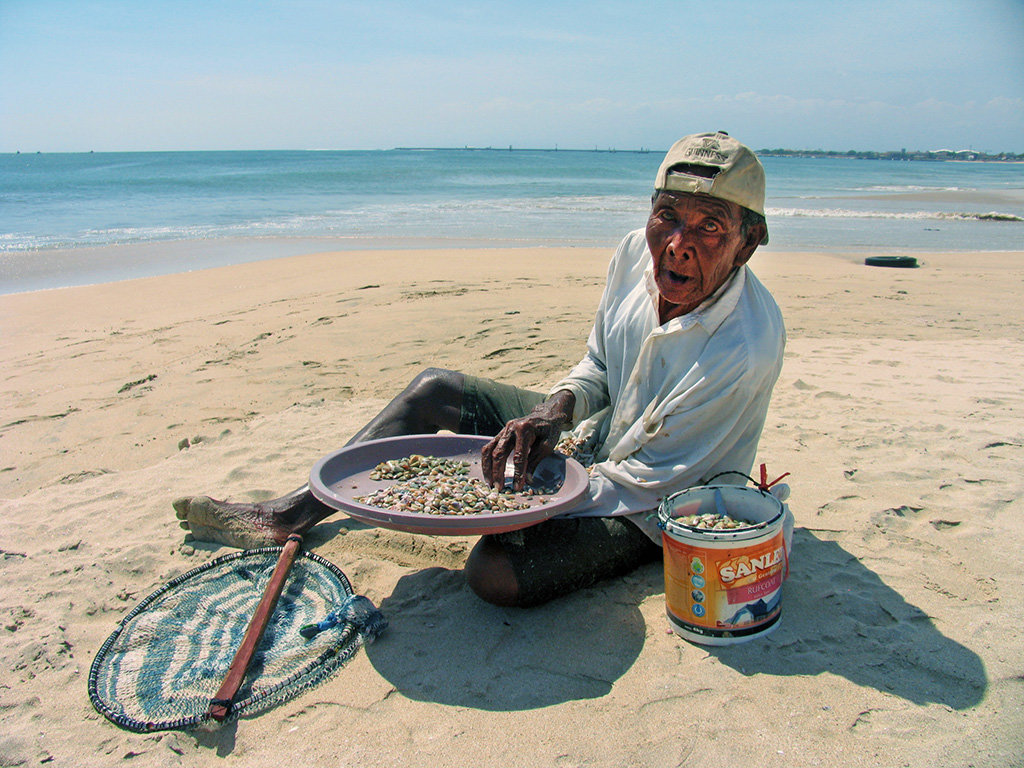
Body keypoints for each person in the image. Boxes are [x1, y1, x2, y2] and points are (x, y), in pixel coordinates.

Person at [175, 131, 785, 608]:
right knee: (434, 391)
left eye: (710, 227)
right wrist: (554, 412)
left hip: (654, 502)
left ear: (749, 240)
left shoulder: (742, 348)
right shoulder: (633, 254)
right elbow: (599, 365)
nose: (678, 243)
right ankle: (289, 515)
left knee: (495, 574)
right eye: (668, 216)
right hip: (600, 440)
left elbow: (643, 482)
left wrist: (500, 496)